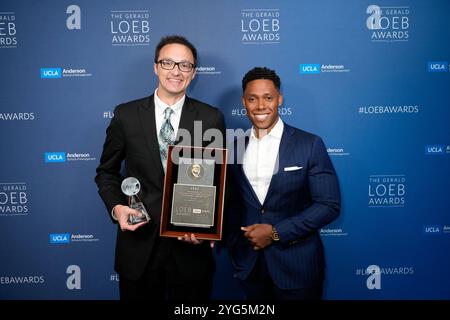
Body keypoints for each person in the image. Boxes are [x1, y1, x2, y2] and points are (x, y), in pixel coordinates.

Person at [95, 35, 225, 300]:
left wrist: (208, 227)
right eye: (168, 63)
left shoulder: (211, 117)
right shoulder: (126, 115)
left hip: (190, 250)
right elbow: (106, 172)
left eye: (184, 65)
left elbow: (219, 181)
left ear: (194, 72)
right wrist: (117, 207)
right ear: (156, 67)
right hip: (139, 247)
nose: (176, 71)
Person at [226, 67, 340, 300]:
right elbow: (230, 203)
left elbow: (328, 205)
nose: (260, 106)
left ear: (279, 99)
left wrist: (276, 233)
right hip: (250, 266)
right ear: (243, 102)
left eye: (268, 97)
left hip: (297, 266)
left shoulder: (309, 144)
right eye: (252, 99)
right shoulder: (234, 147)